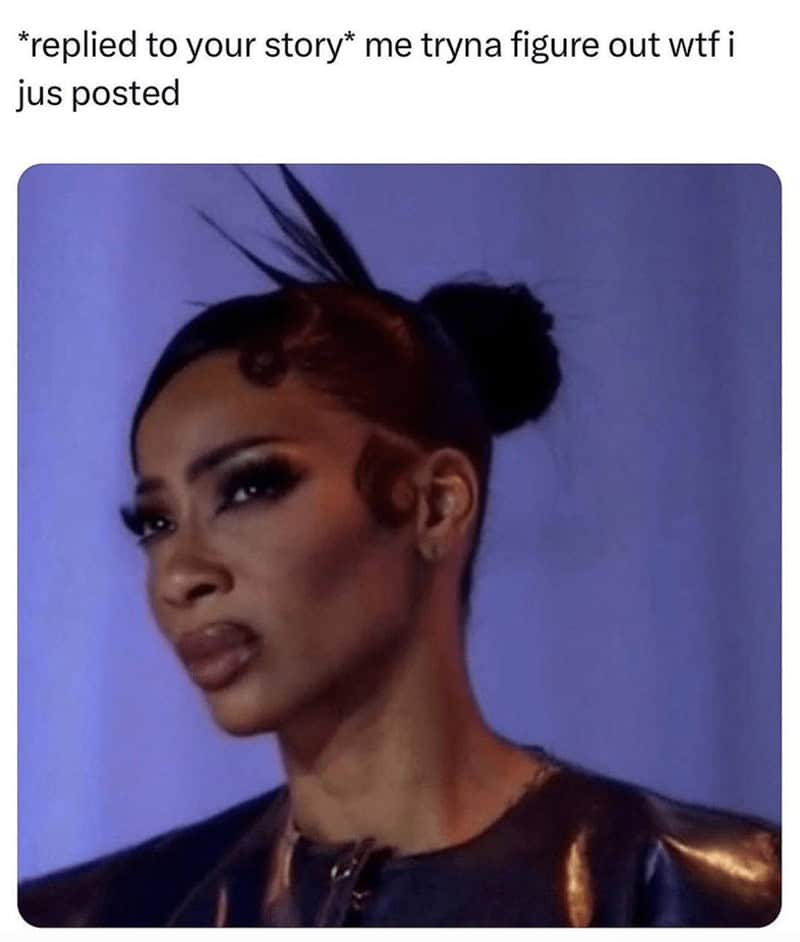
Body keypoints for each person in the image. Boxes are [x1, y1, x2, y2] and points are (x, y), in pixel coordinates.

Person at [18, 166, 780, 927]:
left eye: (251, 486)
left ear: (435, 504)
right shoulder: (87, 917)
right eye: (155, 523)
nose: (180, 575)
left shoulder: (712, 896)